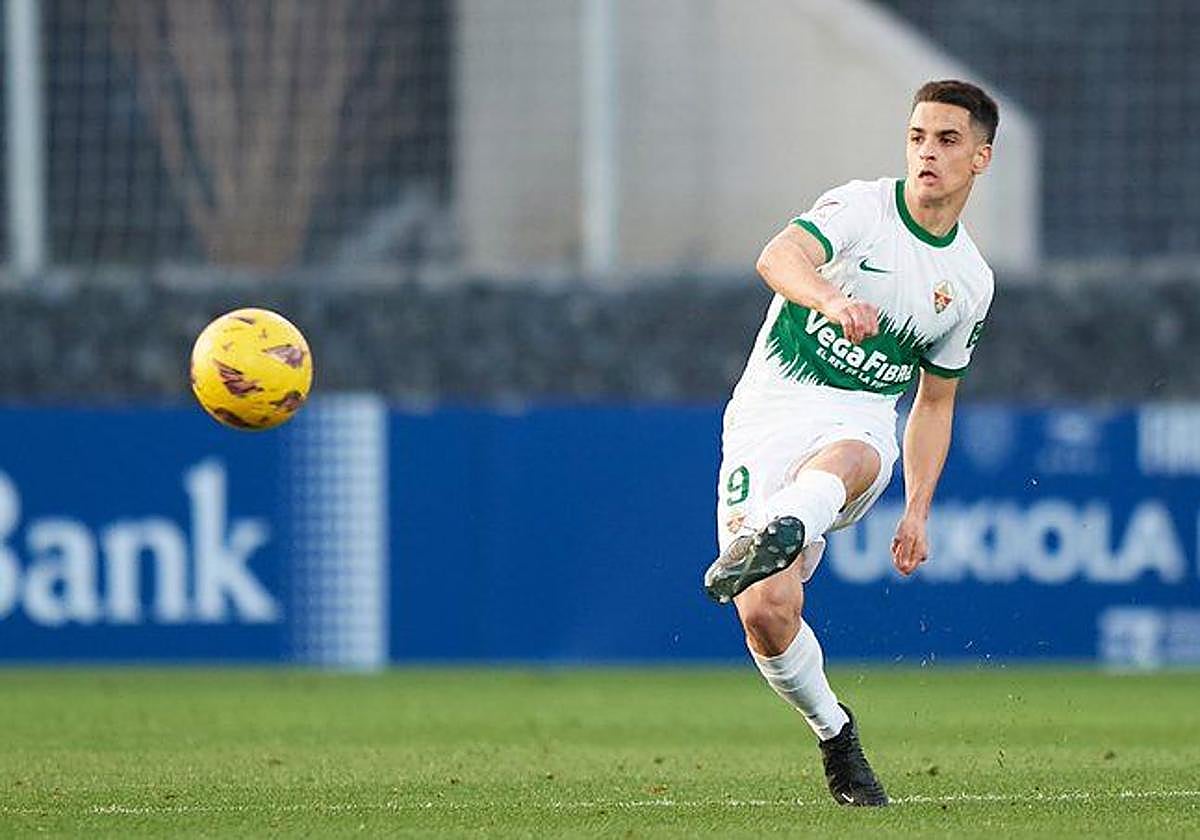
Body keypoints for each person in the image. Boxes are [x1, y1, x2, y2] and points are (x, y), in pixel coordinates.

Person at [703, 79, 998, 807]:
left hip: (860, 421)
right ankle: (836, 732)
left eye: (948, 140)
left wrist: (918, 508)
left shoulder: (969, 283)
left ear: (980, 159)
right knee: (766, 613)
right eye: (918, 137)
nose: (928, 152)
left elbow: (932, 402)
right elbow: (777, 256)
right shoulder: (862, 208)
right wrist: (831, 298)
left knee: (855, 457)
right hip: (768, 414)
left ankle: (788, 526)